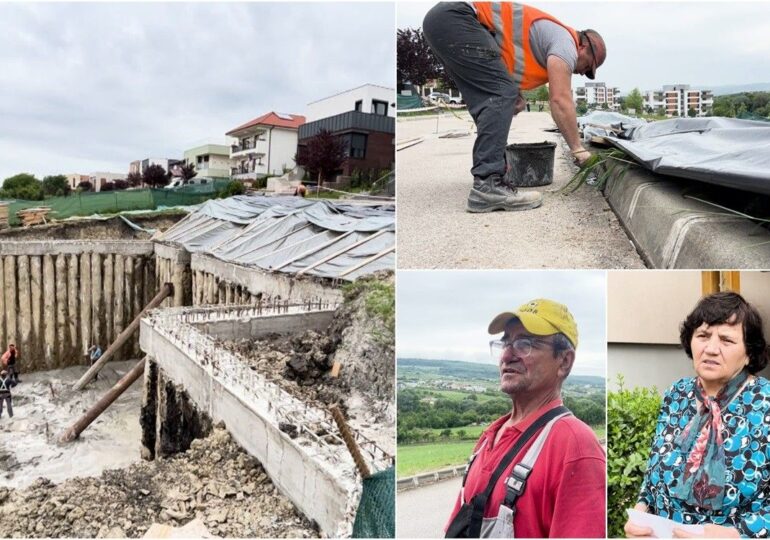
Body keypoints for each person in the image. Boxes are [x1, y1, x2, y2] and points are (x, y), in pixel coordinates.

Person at [423, 2, 606, 213]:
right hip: (458, 17)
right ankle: (488, 185)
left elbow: (499, 57)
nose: (583, 72)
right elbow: (560, 100)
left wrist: (513, 93)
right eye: (588, 65)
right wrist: (578, 149)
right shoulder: (567, 44)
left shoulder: (549, 39)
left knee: (492, 99)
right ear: (583, 47)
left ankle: (492, 176)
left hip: (444, 22)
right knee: (501, 94)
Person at [445, 299, 606, 538]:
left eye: (524, 344)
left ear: (564, 361)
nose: (507, 355)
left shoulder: (574, 446)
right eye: (505, 343)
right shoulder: (491, 435)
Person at [625, 292, 770, 539]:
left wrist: (736, 536)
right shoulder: (676, 394)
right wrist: (641, 511)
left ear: (748, 353)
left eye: (726, 340)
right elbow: (653, 478)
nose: (711, 349)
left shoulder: (765, 403)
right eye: (703, 336)